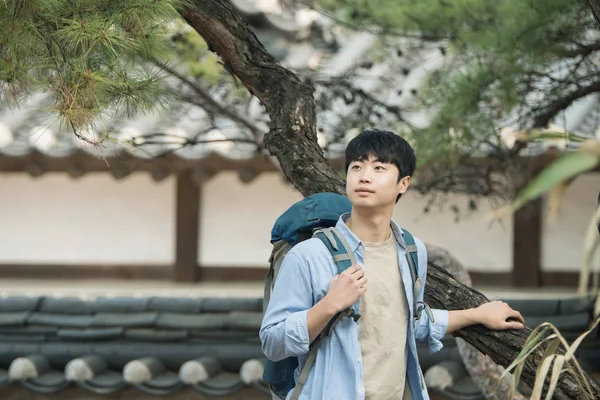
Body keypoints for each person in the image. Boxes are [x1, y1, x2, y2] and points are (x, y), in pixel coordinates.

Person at [260, 129, 525, 400]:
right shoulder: (310, 255)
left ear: (403, 183)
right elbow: (272, 343)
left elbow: (409, 323)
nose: (364, 175)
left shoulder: (411, 252)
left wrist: (478, 315)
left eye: (378, 168)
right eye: (356, 167)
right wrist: (329, 305)